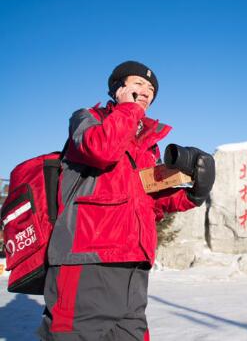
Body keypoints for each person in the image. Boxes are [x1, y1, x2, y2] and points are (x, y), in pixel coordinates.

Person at [38, 61, 215, 340]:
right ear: (118, 88)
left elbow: (150, 202)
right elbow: (102, 150)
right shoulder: (88, 118)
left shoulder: (146, 144)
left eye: (151, 88)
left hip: (133, 263)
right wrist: (128, 109)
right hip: (87, 257)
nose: (146, 90)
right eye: (139, 84)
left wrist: (193, 194)